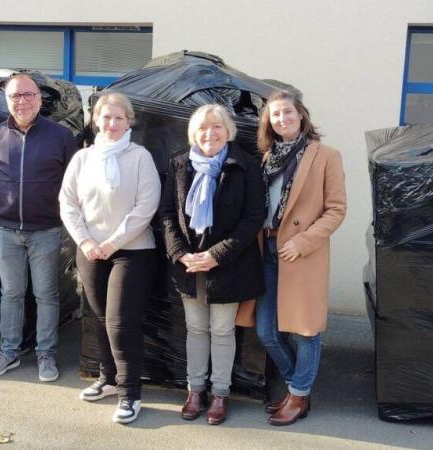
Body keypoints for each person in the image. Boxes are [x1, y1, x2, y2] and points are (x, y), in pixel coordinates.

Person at [158, 104, 265, 425]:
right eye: (203, 127)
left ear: (228, 131)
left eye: (217, 127)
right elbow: (166, 214)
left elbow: (252, 219)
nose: (210, 133)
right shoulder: (179, 164)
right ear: (194, 133)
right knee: (195, 329)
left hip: (228, 265)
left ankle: (220, 393)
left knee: (221, 330)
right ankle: (195, 390)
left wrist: (216, 255)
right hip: (189, 265)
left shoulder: (245, 165)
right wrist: (180, 252)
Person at [60, 92, 160, 424]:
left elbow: (145, 207)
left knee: (120, 323)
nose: (112, 124)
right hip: (91, 249)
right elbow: (68, 203)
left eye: (119, 118)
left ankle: (130, 393)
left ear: (129, 121)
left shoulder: (140, 157)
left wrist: (113, 242)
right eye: (106, 117)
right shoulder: (83, 158)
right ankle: (107, 379)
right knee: (98, 319)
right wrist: (86, 240)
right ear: (96, 120)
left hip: (131, 252)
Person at [255, 90, 346, 426]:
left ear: (301, 115)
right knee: (266, 330)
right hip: (268, 249)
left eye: (287, 113)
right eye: (275, 115)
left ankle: (298, 394)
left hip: (301, 253)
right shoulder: (267, 158)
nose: (282, 119)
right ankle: (299, 387)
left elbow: (336, 209)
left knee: (306, 330)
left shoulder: (326, 155)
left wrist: (304, 241)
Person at [0, 73, 78, 382]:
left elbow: (71, 182)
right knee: (10, 293)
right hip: (5, 229)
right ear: (6, 101)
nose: (22, 101)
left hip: (47, 230)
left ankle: (45, 353)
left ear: (39, 98)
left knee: (46, 294)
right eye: (15, 96)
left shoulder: (61, 137)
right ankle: (9, 351)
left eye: (29, 95)